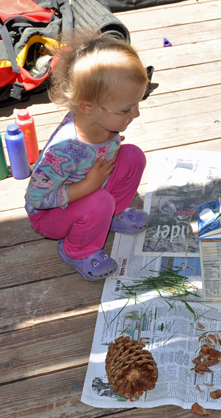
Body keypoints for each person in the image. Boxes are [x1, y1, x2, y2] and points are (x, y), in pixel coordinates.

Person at [24, 30, 150, 280]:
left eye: (137, 103)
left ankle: (111, 215)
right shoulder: (64, 150)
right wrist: (87, 186)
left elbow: (108, 158)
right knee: (100, 200)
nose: (135, 114)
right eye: (126, 109)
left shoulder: (102, 121)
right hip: (50, 213)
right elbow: (36, 198)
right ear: (88, 108)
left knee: (133, 156)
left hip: (91, 187)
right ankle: (77, 250)